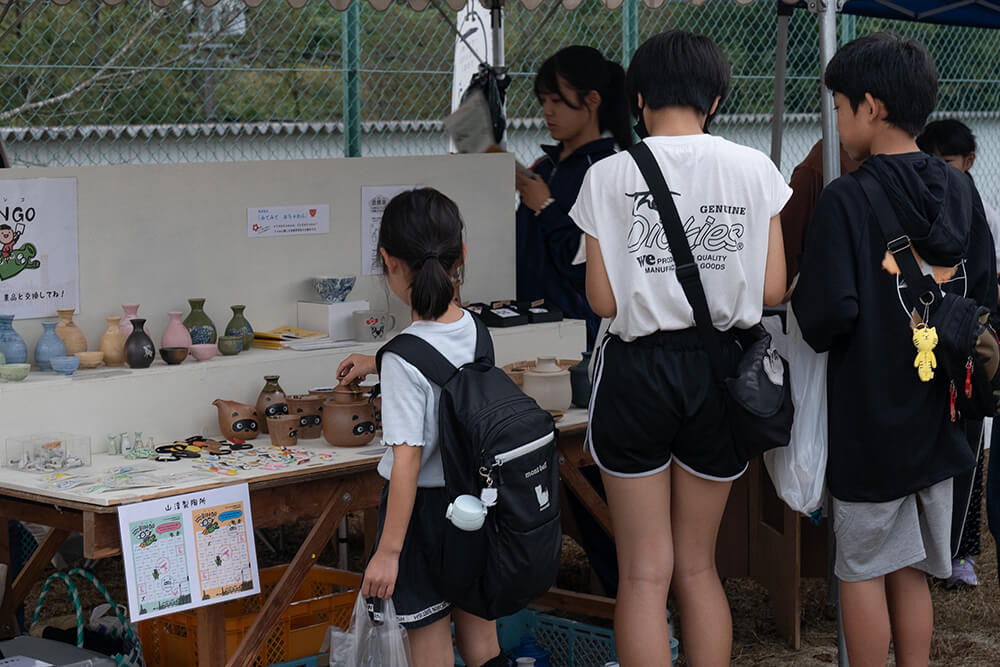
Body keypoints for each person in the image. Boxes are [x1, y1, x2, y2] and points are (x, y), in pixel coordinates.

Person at [572, 30, 790, 666]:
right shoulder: (756, 170)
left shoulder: (607, 176)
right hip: (722, 374)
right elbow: (774, 287)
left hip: (637, 372)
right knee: (698, 567)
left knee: (644, 574)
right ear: (716, 98)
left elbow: (604, 303)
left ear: (638, 98)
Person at [793, 33, 995, 666]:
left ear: (870, 107)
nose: (836, 118)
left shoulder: (846, 198)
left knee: (861, 569)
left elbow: (827, 318)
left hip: (871, 420)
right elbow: (984, 290)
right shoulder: (961, 189)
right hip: (944, 418)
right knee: (911, 570)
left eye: (838, 105)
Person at [337, 188, 506, 667]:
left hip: (424, 518)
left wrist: (389, 552)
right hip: (476, 504)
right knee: (481, 643)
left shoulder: (403, 357)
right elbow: (443, 369)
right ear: (462, 257)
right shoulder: (476, 329)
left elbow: (408, 461)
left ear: (388, 262)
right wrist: (380, 359)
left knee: (430, 644)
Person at [916, 118, 999, 589]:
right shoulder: (927, 199)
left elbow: (985, 280)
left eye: (947, 161)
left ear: (968, 162)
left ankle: (958, 552)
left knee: (967, 450)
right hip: (933, 342)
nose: (940, 169)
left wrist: (977, 330)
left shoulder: (976, 209)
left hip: (966, 343)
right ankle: (938, 552)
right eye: (933, 161)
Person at [515, 44, 633, 350]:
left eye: (558, 100)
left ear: (592, 100)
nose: (547, 111)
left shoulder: (608, 172)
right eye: (542, 100)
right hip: (524, 321)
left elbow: (586, 267)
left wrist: (545, 206)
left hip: (577, 332)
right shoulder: (544, 167)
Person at [780, 140, 860, 289]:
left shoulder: (821, 162)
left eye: (841, 114)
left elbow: (784, 254)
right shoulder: (908, 162)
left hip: (838, 296)